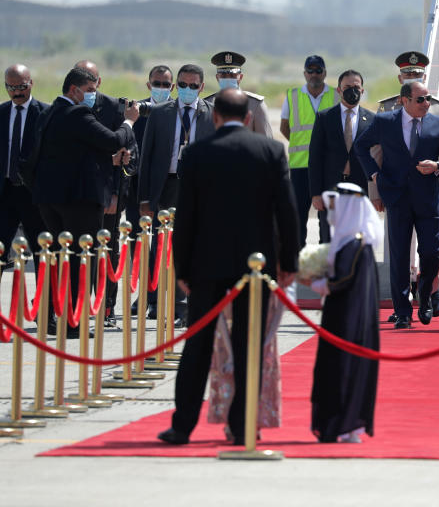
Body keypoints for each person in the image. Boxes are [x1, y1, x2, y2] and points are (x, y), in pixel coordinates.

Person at [159, 88, 298, 445]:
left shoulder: (197, 154)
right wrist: (289, 262)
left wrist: (183, 269)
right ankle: (241, 425)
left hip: (208, 265)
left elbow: (185, 216)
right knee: (248, 346)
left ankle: (182, 426)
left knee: (198, 346)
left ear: (215, 117)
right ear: (249, 118)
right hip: (256, 267)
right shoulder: (270, 150)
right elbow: (287, 210)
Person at [30, 67, 139, 338]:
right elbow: (113, 140)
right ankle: (73, 322)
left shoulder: (50, 112)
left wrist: (107, 162)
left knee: (62, 258)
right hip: (79, 202)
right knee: (82, 261)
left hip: (50, 200)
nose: (93, 95)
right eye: (89, 90)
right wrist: (129, 122)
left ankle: (63, 317)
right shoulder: (77, 113)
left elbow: (71, 153)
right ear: (73, 90)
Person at [354, 80, 439, 329]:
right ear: (404, 100)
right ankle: (402, 312)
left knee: (432, 252)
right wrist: (375, 175)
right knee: (399, 255)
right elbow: (361, 146)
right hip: (397, 197)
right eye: (420, 99)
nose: (426, 104)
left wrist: (438, 166)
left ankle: (425, 293)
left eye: (428, 98)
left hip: (428, 200)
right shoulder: (385, 122)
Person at [373, 51, 439, 319]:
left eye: (418, 74)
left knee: (432, 247)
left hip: (427, 192)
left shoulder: (438, 108)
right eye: (408, 75)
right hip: (397, 192)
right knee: (400, 250)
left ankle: (432, 290)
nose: (413, 77)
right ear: (400, 78)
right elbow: (375, 153)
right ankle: (402, 304)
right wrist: (376, 192)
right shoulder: (387, 109)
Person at [137, 64, 215, 324]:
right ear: (176, 85)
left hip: (196, 189)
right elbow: (146, 157)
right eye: (183, 85)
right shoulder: (161, 113)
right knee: (161, 246)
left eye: (194, 86)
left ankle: (183, 305)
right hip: (166, 186)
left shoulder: (210, 114)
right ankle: (155, 300)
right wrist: (145, 198)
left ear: (202, 88)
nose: (188, 90)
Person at [310, 183, 382, 443]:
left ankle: (344, 424)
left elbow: (341, 281)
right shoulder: (351, 241)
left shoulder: (354, 244)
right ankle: (346, 425)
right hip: (345, 319)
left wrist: (316, 283)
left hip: (347, 323)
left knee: (342, 369)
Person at [76, 59, 138, 327]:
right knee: (79, 253)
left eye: (91, 80)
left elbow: (129, 156)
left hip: (108, 197)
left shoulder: (114, 109)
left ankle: (107, 308)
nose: (86, 87)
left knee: (108, 252)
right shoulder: (67, 108)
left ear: (99, 82)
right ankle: (77, 306)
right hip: (76, 196)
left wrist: (116, 195)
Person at [308, 70, 374, 244]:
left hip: (360, 190)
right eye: (347, 87)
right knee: (328, 240)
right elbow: (315, 157)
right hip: (330, 190)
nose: (352, 91)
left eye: (356, 87)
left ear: (362, 90)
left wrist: (376, 194)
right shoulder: (324, 117)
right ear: (338, 90)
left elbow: (377, 158)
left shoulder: (373, 120)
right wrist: (315, 194)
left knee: (357, 241)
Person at [281, 55, 337, 246]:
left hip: (327, 167)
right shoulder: (292, 95)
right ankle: (297, 261)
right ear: (304, 73)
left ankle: (325, 260)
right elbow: (284, 127)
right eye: (310, 71)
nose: (314, 74)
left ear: (325, 73)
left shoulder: (335, 95)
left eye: (318, 71)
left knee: (327, 217)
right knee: (297, 216)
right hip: (300, 166)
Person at [0, 65, 48, 289]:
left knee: (42, 251)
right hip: (5, 193)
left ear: (31, 84)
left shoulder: (45, 115)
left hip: (34, 195)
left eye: (21, 87)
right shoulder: (1, 113)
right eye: (11, 88)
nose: (17, 92)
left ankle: (45, 308)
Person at [126, 65, 175, 230]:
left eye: (165, 85)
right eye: (157, 84)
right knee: (138, 243)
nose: (161, 88)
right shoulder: (135, 111)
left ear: (172, 87)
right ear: (149, 85)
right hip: (138, 189)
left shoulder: (179, 113)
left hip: (168, 189)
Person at [205, 51, 273, 138]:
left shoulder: (255, 104)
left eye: (232, 75)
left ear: (240, 77)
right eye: (224, 75)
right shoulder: (207, 104)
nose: (228, 78)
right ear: (217, 78)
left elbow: (266, 142)